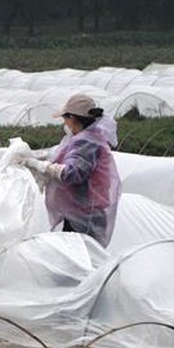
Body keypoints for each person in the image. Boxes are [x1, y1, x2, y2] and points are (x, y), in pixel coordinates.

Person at [21, 93, 121, 246]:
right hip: (86, 213)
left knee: (80, 261)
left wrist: (39, 166)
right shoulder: (93, 137)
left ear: (73, 118)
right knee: (83, 260)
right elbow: (61, 156)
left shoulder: (86, 142)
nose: (65, 124)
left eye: (65, 119)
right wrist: (36, 158)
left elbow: (71, 173)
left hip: (84, 217)